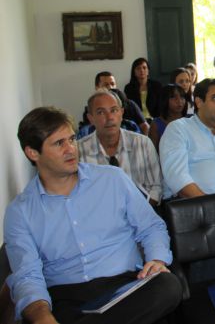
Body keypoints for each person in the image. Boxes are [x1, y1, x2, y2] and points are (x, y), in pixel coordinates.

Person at [6, 107, 181, 324]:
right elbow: (27, 276)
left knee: (168, 286)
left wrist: (156, 259)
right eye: (59, 143)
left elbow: (151, 226)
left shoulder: (112, 179)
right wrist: (43, 317)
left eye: (72, 139)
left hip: (126, 286)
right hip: (67, 297)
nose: (71, 149)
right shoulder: (20, 212)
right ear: (33, 153)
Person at [78, 91, 163, 205]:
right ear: (91, 118)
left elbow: (157, 187)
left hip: (142, 210)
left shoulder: (142, 143)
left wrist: (139, 210)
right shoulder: (79, 151)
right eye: (101, 112)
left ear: (122, 113)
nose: (109, 118)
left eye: (114, 110)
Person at [80, 71, 149, 136]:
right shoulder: (91, 108)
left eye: (112, 84)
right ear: (97, 88)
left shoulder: (129, 104)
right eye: (106, 85)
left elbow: (144, 126)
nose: (110, 87)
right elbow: (87, 132)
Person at [149, 83, 188, 151]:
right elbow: (152, 153)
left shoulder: (190, 121)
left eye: (182, 97)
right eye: (173, 97)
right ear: (164, 100)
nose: (179, 101)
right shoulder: (156, 124)